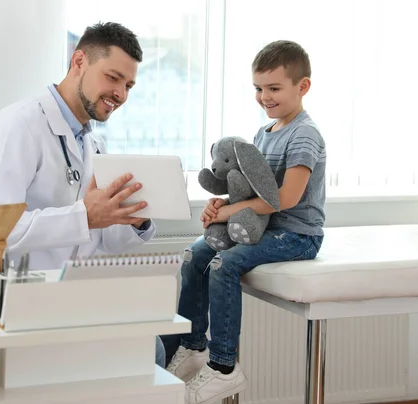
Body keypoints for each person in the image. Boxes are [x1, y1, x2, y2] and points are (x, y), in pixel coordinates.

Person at [0, 22, 166, 367]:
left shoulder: (91, 140)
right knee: (149, 351)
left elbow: (105, 240)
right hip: (16, 297)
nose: (121, 94)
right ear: (79, 63)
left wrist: (135, 219)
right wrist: (84, 216)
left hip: (65, 293)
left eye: (129, 85)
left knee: (156, 341)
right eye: (113, 77)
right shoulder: (17, 127)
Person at [164, 40, 326, 403]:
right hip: (262, 226)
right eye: (258, 88)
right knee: (195, 255)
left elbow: (286, 199)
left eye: (273, 88)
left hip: (296, 235)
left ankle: (223, 365)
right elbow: (251, 194)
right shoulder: (262, 135)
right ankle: (192, 347)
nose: (264, 97)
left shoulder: (304, 135)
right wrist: (221, 204)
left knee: (223, 265)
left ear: (302, 87)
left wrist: (228, 213)